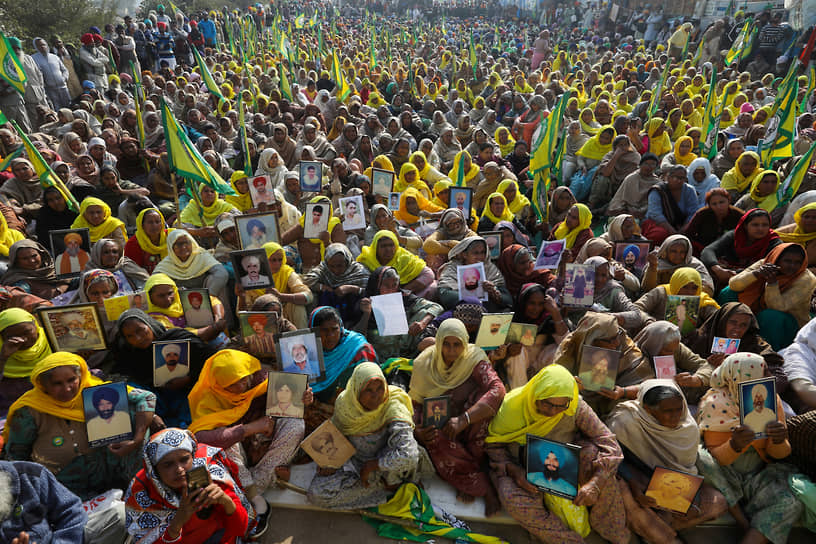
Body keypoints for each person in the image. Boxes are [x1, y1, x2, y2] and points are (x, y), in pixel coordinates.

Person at [485, 365, 630, 544]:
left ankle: (612, 530)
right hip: (523, 468)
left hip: (565, 461)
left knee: (597, 460)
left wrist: (595, 483)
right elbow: (494, 447)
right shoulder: (511, 408)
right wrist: (515, 471)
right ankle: (568, 540)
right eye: (546, 403)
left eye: (560, 406)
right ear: (535, 394)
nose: (552, 411)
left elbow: (608, 442)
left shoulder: (575, 406)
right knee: (512, 497)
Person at [4, 352, 155, 500]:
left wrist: (137, 438)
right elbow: (17, 454)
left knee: (136, 413)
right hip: (62, 481)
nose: (67, 388)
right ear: (43, 385)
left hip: (105, 469)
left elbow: (146, 397)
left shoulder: (94, 392)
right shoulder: (29, 411)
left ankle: (137, 487)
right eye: (57, 383)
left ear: (81, 377)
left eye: (72, 380)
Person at [188, 350, 308, 523]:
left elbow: (287, 405)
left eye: (244, 378)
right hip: (238, 452)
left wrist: (302, 400)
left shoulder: (261, 379)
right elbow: (200, 437)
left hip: (266, 443)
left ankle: (253, 488)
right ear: (219, 384)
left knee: (296, 425)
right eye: (234, 383)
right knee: (225, 443)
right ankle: (254, 489)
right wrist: (248, 429)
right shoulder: (209, 397)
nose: (243, 384)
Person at [696, 353, 803, 544]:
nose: (768, 378)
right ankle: (741, 518)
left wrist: (778, 440)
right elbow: (716, 459)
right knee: (701, 458)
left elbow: (780, 454)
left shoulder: (770, 400)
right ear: (744, 375)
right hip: (724, 476)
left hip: (757, 475)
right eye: (764, 373)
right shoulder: (714, 402)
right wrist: (734, 445)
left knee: (791, 503)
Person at [606, 380, 728, 543]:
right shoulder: (624, 422)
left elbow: (685, 471)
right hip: (634, 482)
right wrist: (634, 482)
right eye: (667, 411)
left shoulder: (688, 428)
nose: (676, 416)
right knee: (623, 494)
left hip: (668, 486)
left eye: (679, 409)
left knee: (718, 503)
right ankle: (666, 538)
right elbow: (611, 457)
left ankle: (652, 532)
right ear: (648, 410)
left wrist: (682, 496)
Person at [409, 319, 506, 514]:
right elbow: (415, 404)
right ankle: (481, 484)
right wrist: (417, 430)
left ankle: (470, 474)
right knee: (433, 437)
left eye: (457, 344)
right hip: (441, 422)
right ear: (438, 343)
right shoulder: (423, 364)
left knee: (483, 403)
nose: (451, 351)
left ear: (465, 343)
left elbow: (497, 389)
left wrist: (464, 420)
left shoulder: (474, 358)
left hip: (468, 422)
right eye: (446, 344)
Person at [307, 362, 427, 510]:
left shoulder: (393, 404)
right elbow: (335, 434)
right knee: (316, 494)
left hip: (390, 465)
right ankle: (387, 490)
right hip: (356, 463)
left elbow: (409, 455)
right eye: (368, 390)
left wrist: (374, 465)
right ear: (357, 390)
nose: (376, 396)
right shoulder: (346, 405)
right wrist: (329, 462)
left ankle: (391, 484)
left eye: (380, 388)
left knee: (405, 459)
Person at [124, 428, 259, 544]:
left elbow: (239, 529)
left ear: (192, 457)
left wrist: (226, 501)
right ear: (154, 469)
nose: (179, 469)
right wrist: (177, 523)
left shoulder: (208, 475)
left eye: (184, 460)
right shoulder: (142, 493)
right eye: (168, 464)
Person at [550, 312, 654, 418]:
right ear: (592, 340)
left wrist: (623, 392)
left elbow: (649, 385)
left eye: (617, 336)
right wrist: (572, 385)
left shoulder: (625, 346)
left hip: (614, 403)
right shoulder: (570, 348)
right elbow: (554, 385)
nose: (617, 343)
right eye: (610, 340)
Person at [722, 243, 815, 350]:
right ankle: (724, 346)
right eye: (787, 261)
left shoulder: (807, 279)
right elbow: (733, 284)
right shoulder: (766, 263)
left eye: (797, 263)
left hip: (787, 325)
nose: (792, 266)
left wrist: (772, 284)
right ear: (777, 259)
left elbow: (778, 307)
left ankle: (767, 354)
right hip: (756, 314)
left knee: (770, 316)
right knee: (728, 293)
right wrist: (756, 274)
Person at [354, 266, 442, 361]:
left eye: (394, 285)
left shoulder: (404, 297)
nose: (391, 290)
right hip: (378, 354)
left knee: (424, 312)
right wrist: (367, 314)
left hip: (405, 349)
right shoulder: (365, 302)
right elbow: (358, 338)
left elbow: (437, 307)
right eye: (386, 285)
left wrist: (422, 323)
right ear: (377, 285)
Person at [0, 308, 53, 418]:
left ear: (35, 325)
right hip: (11, 412)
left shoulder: (53, 340)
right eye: (12, 336)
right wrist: (3, 358)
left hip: (51, 406)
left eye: (27, 332)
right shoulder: (2, 352)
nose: (23, 339)